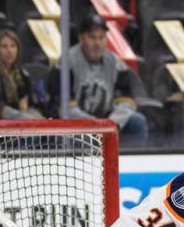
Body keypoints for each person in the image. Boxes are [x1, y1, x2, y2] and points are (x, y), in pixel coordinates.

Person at [47, 12, 147, 147]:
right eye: (92, 37)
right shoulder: (66, 64)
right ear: (81, 38)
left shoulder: (115, 63)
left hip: (108, 123)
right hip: (76, 125)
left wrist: (112, 123)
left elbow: (127, 101)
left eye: (101, 37)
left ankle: (133, 164)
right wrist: (96, 126)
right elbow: (63, 108)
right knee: (84, 139)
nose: (97, 43)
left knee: (137, 122)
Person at [0, 29, 43, 119]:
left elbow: (31, 103)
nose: (10, 51)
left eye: (13, 46)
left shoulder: (23, 74)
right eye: (4, 47)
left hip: (21, 116)